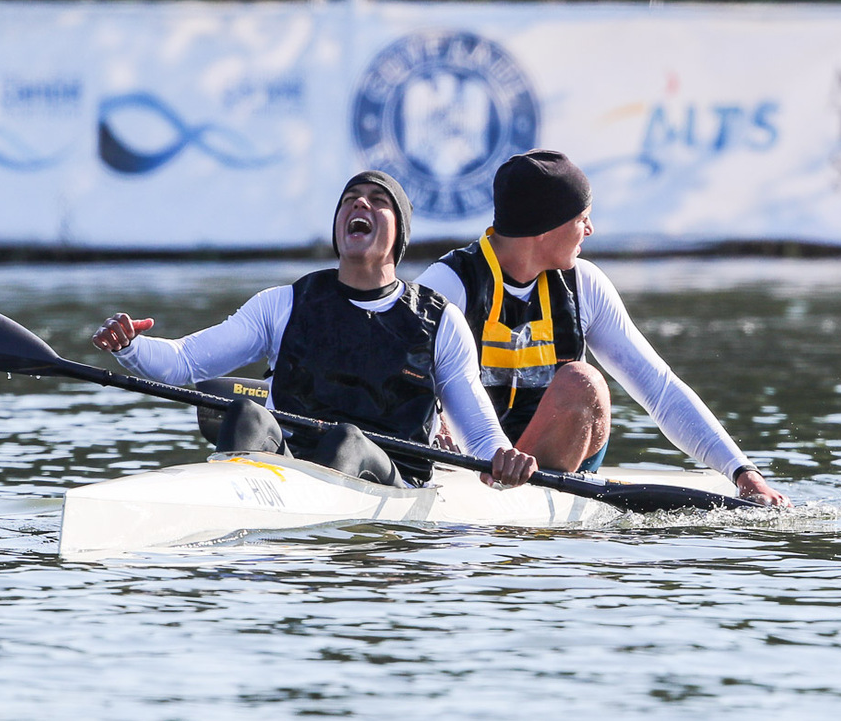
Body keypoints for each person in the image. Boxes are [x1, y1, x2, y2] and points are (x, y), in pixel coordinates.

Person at [91, 169, 537, 490]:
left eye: (378, 201)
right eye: (350, 200)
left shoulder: (439, 322)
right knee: (247, 414)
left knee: (346, 438)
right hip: (290, 472)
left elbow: (477, 432)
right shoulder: (284, 304)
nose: (360, 204)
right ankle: (234, 515)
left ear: (399, 236)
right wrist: (130, 346)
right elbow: (184, 362)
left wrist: (504, 458)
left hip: (394, 479)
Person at [415, 149, 790, 507]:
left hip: (558, 456)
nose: (590, 229)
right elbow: (401, 382)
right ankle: (499, 481)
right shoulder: (448, 285)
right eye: (581, 219)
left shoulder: (586, 285)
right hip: (472, 463)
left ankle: (511, 488)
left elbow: (658, 387)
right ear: (544, 228)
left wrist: (742, 472)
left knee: (583, 383)